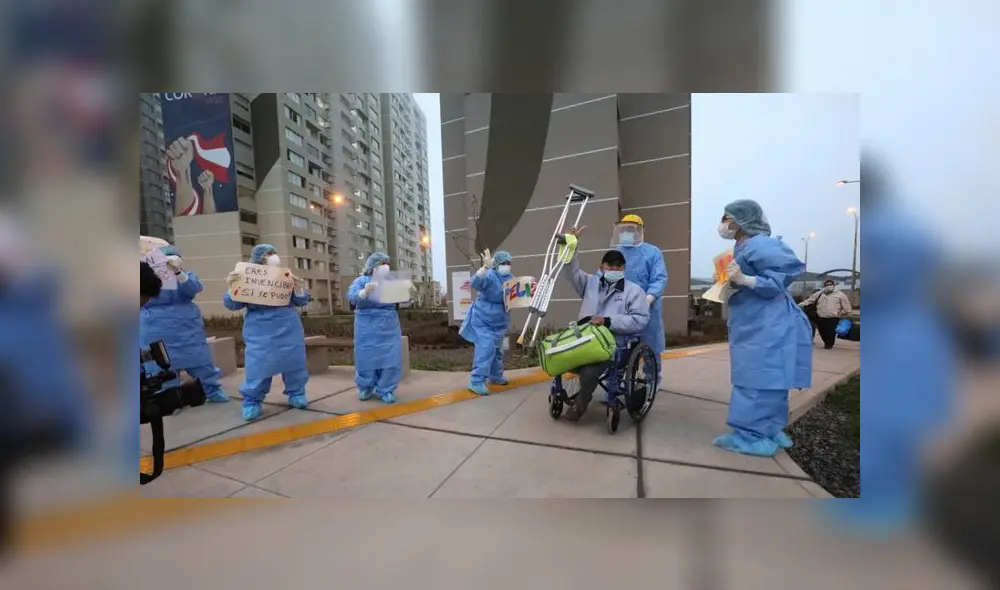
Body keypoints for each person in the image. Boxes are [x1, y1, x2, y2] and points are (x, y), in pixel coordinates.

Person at [713, 199, 813, 457]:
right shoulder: (742, 247)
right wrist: (729, 282)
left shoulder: (761, 244)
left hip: (766, 324)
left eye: (727, 217)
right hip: (757, 322)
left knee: (755, 379)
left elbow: (777, 280)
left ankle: (751, 436)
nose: (724, 223)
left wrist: (744, 279)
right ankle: (769, 429)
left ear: (741, 219)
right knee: (772, 379)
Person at [562, 227, 650, 422]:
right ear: (601, 267)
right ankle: (562, 394)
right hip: (583, 340)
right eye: (610, 266)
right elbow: (571, 271)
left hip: (611, 346)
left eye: (618, 267)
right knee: (557, 356)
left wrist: (609, 321)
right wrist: (571, 246)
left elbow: (640, 319)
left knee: (589, 371)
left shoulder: (634, 292)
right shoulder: (589, 283)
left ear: (624, 269)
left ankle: (580, 404)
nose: (614, 270)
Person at [223, 244, 311, 421]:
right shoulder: (247, 276)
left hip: (288, 326)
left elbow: (300, 301)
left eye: (274, 253)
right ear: (259, 258)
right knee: (259, 365)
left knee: (293, 362)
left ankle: (297, 393)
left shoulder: (284, 276)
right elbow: (233, 305)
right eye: (268, 254)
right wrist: (232, 287)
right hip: (260, 328)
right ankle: (252, 400)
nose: (273, 256)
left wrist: (298, 288)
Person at [140, 245, 230, 404]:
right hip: (155, 326)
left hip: (186, 326)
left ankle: (212, 390)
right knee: (160, 364)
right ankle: (169, 399)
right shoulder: (149, 279)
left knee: (200, 360)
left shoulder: (185, 276)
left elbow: (194, 288)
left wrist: (178, 273)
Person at [612, 214, 668, 387]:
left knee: (650, 348)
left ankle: (651, 382)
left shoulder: (652, 253)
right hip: (621, 310)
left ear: (640, 231)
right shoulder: (616, 253)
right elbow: (603, 276)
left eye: (631, 229)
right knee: (617, 350)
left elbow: (659, 279)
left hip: (647, 310)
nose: (627, 233)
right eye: (624, 230)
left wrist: (649, 298)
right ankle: (614, 386)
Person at [347, 252, 403, 404]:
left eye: (387, 262)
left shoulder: (391, 281)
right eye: (382, 263)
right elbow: (351, 296)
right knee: (366, 357)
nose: (385, 266)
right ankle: (365, 386)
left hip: (389, 324)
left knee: (390, 357)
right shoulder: (361, 280)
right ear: (372, 266)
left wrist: (407, 296)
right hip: (366, 325)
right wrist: (364, 292)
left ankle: (386, 389)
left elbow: (401, 300)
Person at [459, 249, 513, 396]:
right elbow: (475, 283)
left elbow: (516, 296)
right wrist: (484, 268)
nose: (507, 265)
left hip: (500, 321)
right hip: (483, 319)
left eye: (509, 263)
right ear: (496, 265)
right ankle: (476, 381)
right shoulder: (490, 275)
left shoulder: (511, 279)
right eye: (503, 263)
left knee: (497, 351)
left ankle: (495, 376)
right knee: (486, 348)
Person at [798, 279, 852, 349]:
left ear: (833, 285)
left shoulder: (840, 295)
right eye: (827, 285)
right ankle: (826, 341)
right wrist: (800, 305)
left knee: (830, 332)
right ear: (824, 286)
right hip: (821, 316)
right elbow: (810, 300)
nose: (829, 286)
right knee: (822, 331)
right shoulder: (819, 293)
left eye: (830, 284)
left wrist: (848, 312)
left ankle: (829, 344)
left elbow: (846, 304)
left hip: (833, 317)